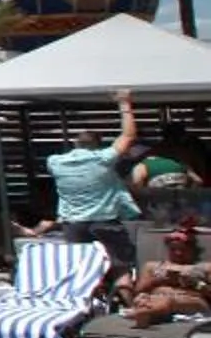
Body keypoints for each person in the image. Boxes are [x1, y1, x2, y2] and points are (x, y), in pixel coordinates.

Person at [39, 89, 146, 266]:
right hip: (105, 221)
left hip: (73, 224)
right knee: (121, 266)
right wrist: (124, 103)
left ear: (75, 143)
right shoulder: (103, 159)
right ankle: (122, 290)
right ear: (98, 145)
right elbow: (128, 136)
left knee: (81, 268)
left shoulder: (55, 162)